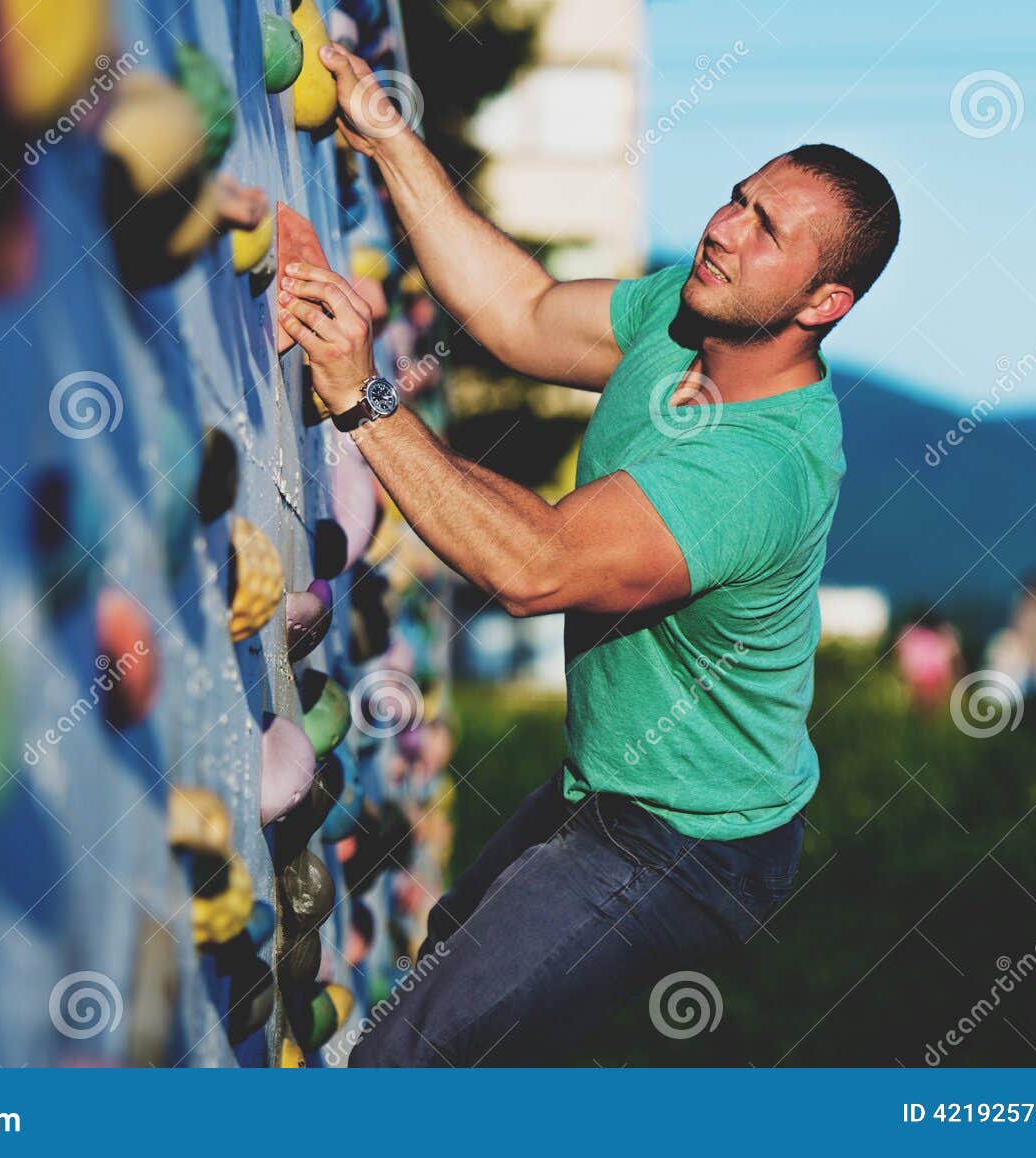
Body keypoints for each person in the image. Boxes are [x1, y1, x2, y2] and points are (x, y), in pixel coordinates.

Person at [282, 43, 901, 1065]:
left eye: (765, 230)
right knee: (447, 967)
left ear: (820, 304)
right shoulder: (691, 317)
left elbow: (532, 565)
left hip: (687, 841)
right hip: (604, 778)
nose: (722, 230)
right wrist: (390, 139)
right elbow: (516, 313)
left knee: (411, 1060)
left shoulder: (759, 470)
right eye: (737, 200)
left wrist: (363, 398)